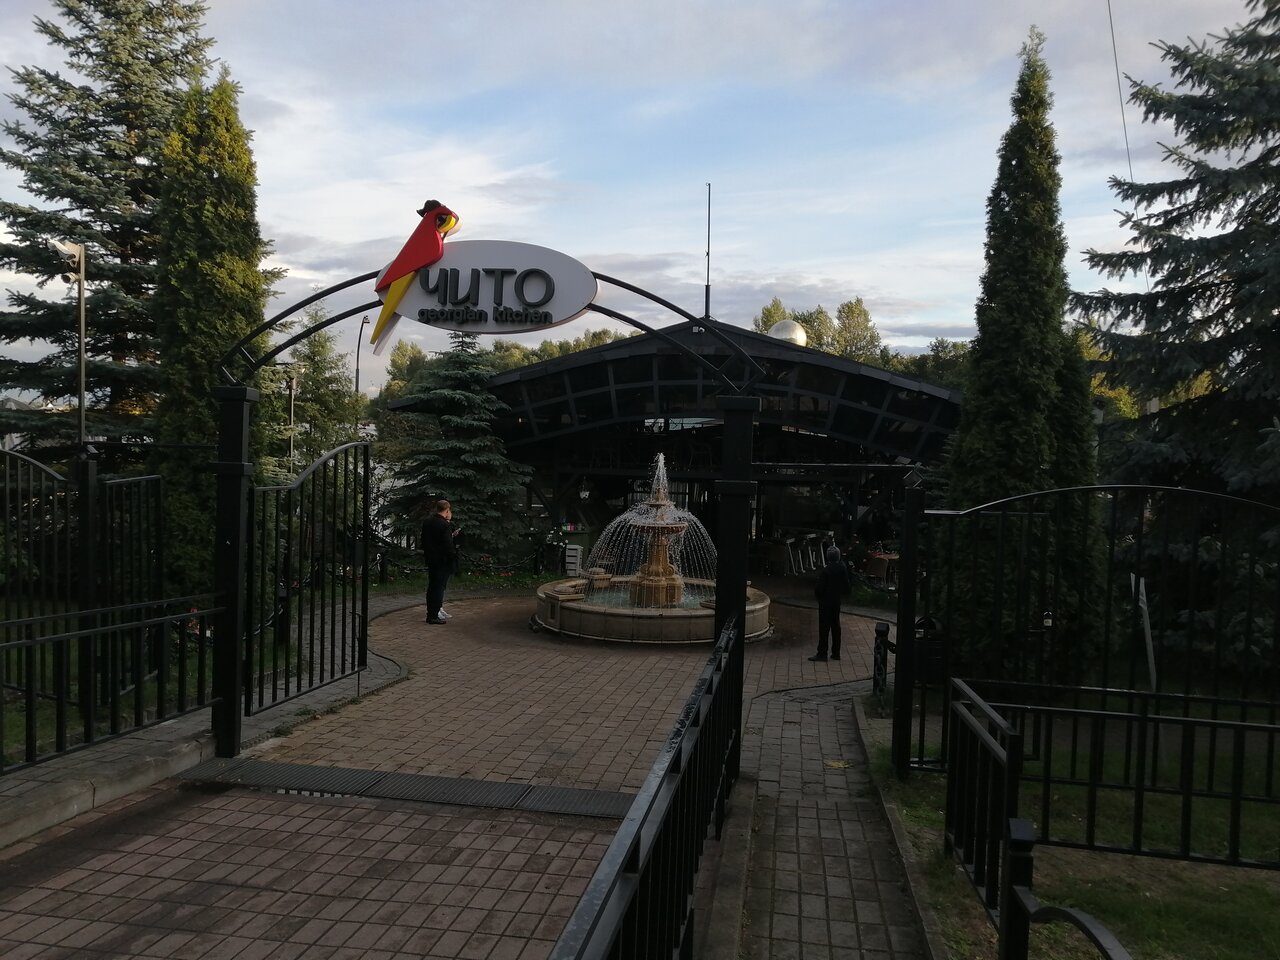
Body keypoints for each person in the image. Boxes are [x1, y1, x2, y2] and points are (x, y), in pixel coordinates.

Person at [810, 545, 851, 662]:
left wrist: (819, 597)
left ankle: (822, 653)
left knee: (824, 628)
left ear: (828, 557)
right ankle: (836, 652)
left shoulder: (826, 570)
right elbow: (847, 587)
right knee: (835, 626)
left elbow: (819, 588)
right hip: (836, 601)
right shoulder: (842, 569)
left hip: (825, 602)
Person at [422, 499, 459, 625]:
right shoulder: (444, 525)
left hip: (431, 558)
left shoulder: (428, 522)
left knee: (432, 586)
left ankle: (431, 613)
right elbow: (447, 545)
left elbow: (425, 540)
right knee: (439, 587)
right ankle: (434, 614)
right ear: (447, 510)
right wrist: (452, 557)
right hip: (442, 561)